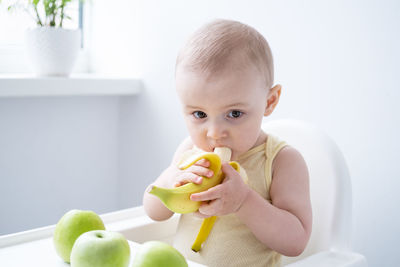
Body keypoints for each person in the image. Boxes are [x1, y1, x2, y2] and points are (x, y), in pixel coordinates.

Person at [143, 19, 312, 267]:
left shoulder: (281, 161)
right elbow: (154, 212)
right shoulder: (189, 151)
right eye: (199, 114)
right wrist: (171, 180)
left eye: (234, 114)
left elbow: (296, 241)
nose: (214, 134)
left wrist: (244, 201)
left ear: (269, 101)